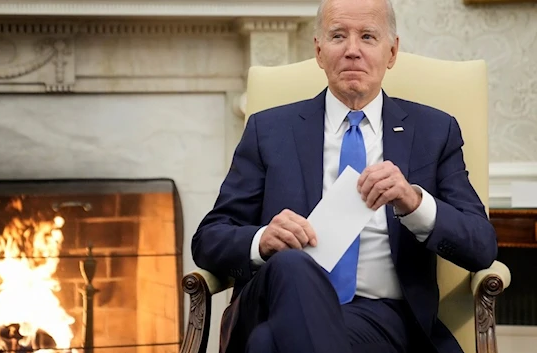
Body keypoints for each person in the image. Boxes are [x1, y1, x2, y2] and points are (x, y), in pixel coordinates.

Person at [191, 0, 498, 352]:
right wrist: (262, 240)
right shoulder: (270, 130)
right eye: (338, 36)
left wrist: (414, 203)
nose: (352, 50)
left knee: (266, 343)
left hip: (378, 318)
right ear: (319, 50)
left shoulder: (434, 131)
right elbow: (208, 240)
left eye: (368, 36)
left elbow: (481, 246)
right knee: (291, 264)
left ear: (392, 51)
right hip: (270, 300)